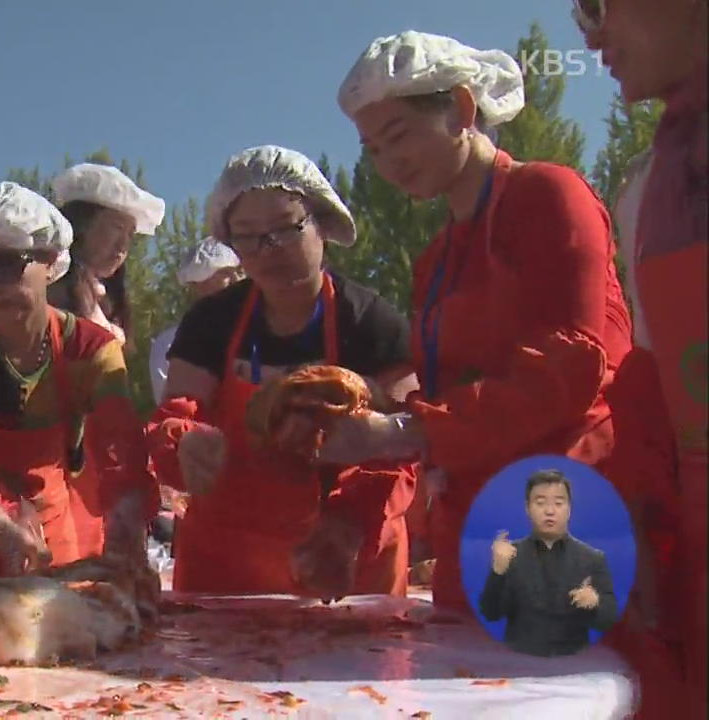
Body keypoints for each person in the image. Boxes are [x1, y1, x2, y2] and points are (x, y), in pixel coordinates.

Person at [329, 30, 638, 611]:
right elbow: (443, 394)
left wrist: (407, 433)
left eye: (398, 136)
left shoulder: (549, 194)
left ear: (464, 108)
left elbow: (572, 367)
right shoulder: (435, 260)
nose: (388, 164)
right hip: (474, 529)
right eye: (372, 150)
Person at [146, 145, 419, 598]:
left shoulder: (371, 321)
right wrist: (184, 443)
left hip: (348, 558)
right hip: (227, 564)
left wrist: (350, 522)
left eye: (286, 229)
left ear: (322, 224)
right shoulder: (211, 323)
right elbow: (177, 413)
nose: (269, 250)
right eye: (249, 236)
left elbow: (408, 439)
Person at [0, 182, 157, 586]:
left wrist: (126, 524)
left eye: (7, 265)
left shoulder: (92, 349)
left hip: (53, 543)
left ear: (51, 262)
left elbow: (119, 447)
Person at [574, 1, 707, 714]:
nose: (592, 37)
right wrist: (641, 522)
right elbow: (652, 383)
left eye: (600, 6)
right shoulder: (647, 189)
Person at [478, 470, 619, 657]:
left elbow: (609, 621)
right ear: (527, 508)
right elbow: (491, 613)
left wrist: (595, 602)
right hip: (520, 663)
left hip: (576, 665)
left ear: (569, 509)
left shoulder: (593, 558)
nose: (550, 511)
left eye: (558, 503)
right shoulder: (510, 555)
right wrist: (497, 572)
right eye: (540, 503)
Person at [48, 163, 166, 346]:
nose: (123, 244)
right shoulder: (49, 288)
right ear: (81, 226)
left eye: (130, 234)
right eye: (117, 228)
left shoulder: (105, 298)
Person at [149, 238, 243, 405]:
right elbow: (175, 410)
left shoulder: (263, 330)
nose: (236, 280)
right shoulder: (170, 344)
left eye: (237, 273)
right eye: (225, 274)